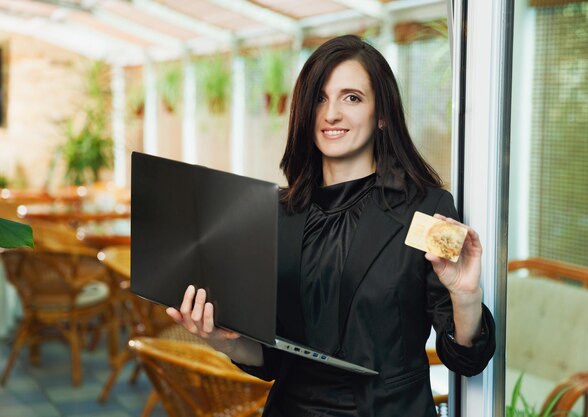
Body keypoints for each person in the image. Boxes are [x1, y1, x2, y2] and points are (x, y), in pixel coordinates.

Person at [166, 34, 496, 417]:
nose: (331, 113)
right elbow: (270, 359)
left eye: (351, 97)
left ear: (382, 114)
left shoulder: (428, 209)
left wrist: (466, 295)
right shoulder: (276, 212)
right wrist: (219, 340)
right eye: (319, 98)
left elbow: (466, 360)